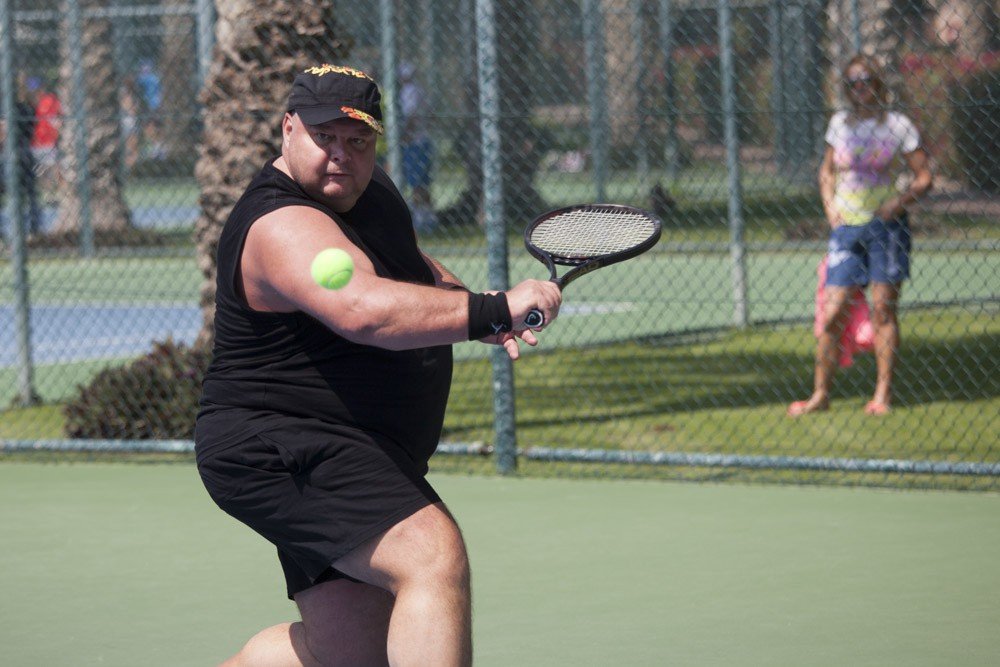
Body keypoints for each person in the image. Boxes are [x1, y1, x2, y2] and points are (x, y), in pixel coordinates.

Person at [194, 63, 561, 666]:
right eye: (324, 136)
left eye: (358, 139)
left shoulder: (368, 190)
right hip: (282, 445)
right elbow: (363, 309)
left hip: (352, 441)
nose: (341, 154)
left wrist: (474, 305)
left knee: (350, 654)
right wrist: (491, 312)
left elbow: (410, 265)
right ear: (288, 129)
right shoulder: (280, 224)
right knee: (431, 556)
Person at [788, 54, 932, 417]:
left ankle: (882, 394)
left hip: (886, 228)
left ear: (878, 83)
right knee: (832, 311)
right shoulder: (839, 124)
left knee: (883, 310)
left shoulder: (898, 125)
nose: (859, 87)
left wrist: (897, 203)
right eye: (852, 82)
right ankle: (820, 394)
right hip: (846, 230)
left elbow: (924, 178)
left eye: (865, 80)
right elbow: (826, 172)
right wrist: (829, 207)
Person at [1, 76, 42, 240]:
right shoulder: (27, 108)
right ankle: (33, 229)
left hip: (13, 154)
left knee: (18, 192)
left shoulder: (12, 108)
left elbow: (3, 133)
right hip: (24, 152)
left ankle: (22, 230)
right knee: (29, 192)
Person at [397, 62, 436, 231]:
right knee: (423, 182)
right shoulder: (420, 90)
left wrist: (405, 136)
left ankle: (420, 219)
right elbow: (431, 116)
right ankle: (429, 217)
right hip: (424, 140)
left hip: (414, 143)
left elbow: (411, 116)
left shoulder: (409, 91)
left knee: (416, 182)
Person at [27, 76, 61, 201]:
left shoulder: (50, 100)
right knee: (41, 172)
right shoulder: (31, 103)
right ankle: (47, 196)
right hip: (35, 144)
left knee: (53, 169)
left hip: (48, 142)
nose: (36, 93)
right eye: (33, 91)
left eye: (38, 89)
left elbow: (58, 117)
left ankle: (56, 194)